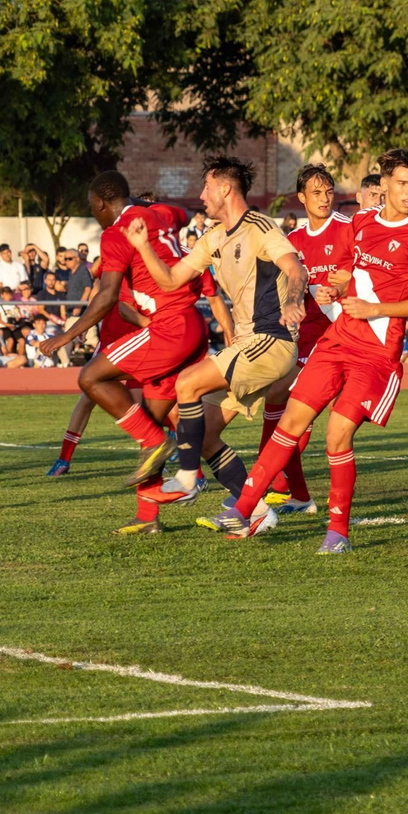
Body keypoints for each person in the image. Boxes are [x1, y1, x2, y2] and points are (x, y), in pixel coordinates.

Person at [214, 149, 408, 553]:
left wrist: (375, 308)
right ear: (384, 184)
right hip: (338, 340)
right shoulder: (363, 222)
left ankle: (338, 534)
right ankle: (248, 508)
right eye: (403, 183)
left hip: (377, 352)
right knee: (291, 420)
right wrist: (336, 286)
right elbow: (350, 271)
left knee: (337, 434)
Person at [122, 156, 308, 533]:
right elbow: (172, 280)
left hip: (271, 341)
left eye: (206, 187)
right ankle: (254, 514)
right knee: (204, 433)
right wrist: (142, 247)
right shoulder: (213, 238)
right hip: (248, 344)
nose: (201, 195)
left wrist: (292, 300)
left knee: (186, 383)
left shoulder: (259, 226)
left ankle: (188, 480)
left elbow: (294, 267)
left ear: (225, 188)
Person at [35, 172, 210, 533]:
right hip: (193, 322)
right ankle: (149, 518)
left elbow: (107, 295)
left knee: (90, 378)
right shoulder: (160, 214)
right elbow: (181, 212)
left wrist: (66, 336)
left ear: (100, 203)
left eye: (91, 207)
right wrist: (143, 205)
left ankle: (158, 442)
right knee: (149, 417)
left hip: (168, 326)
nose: (93, 213)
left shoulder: (116, 233)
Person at [262, 164, 356, 512]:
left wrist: (345, 284)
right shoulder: (294, 242)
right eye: (316, 192)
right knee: (281, 403)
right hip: (309, 337)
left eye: (329, 191)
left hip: (344, 338)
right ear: (301, 197)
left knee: (298, 412)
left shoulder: (349, 229)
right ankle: (294, 492)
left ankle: (272, 486)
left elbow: (364, 273)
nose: (324, 198)